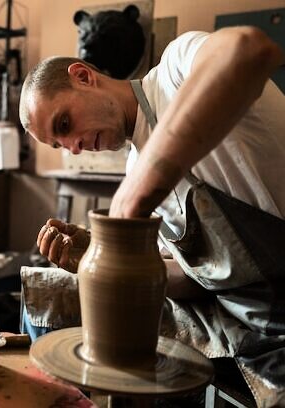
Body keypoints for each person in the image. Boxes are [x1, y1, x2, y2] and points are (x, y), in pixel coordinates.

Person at [19, 27, 285, 405]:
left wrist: (136, 193)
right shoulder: (133, 165)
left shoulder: (176, 71)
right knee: (47, 292)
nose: (73, 146)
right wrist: (103, 258)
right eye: (60, 144)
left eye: (64, 125)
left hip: (274, 325)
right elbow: (197, 279)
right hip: (235, 316)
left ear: (83, 76)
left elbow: (250, 49)